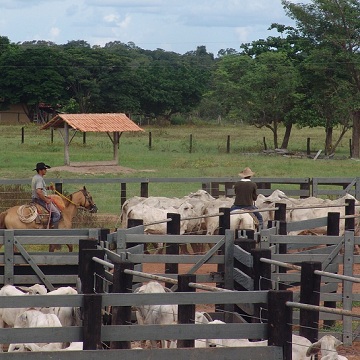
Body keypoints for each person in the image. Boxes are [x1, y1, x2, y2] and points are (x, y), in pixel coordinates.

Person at [31, 162, 61, 229]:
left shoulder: (35, 177)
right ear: (40, 170)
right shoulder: (39, 179)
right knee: (57, 214)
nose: (46, 170)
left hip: (34, 199)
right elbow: (38, 191)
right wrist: (46, 200)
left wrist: (48, 188)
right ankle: (51, 229)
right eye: (44, 169)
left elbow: (39, 189)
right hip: (40, 200)